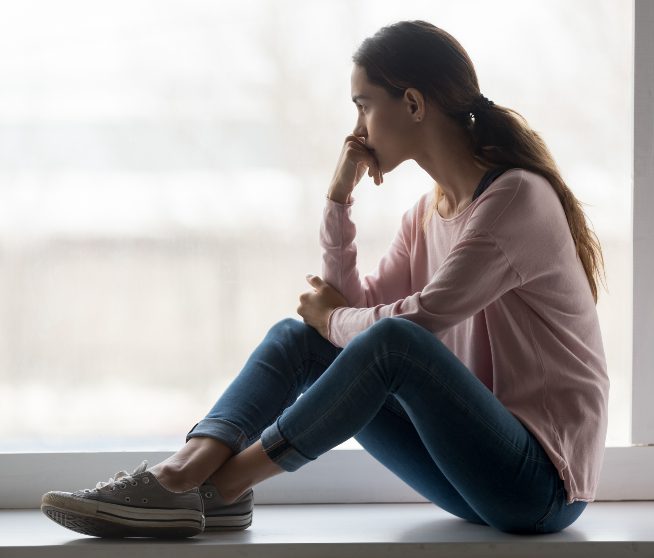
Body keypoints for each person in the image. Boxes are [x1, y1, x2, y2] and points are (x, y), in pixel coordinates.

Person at [41, 19, 609, 538]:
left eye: (364, 106)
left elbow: (417, 322)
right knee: (301, 338)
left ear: (413, 103)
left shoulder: (514, 199)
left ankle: (216, 488)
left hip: (540, 485)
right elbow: (351, 311)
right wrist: (339, 200)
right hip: (471, 474)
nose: (357, 129)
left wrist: (334, 318)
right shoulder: (427, 213)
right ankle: (185, 472)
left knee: (387, 340)